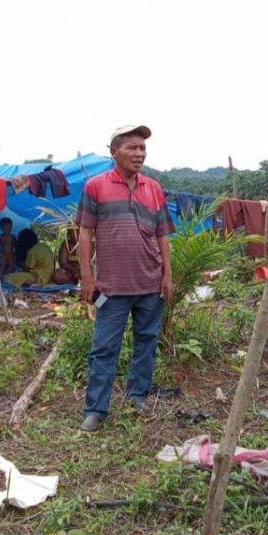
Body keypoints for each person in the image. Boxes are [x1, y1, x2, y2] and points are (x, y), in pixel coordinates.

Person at [76, 125, 175, 434]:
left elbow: (162, 235)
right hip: (111, 288)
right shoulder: (95, 186)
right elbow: (84, 232)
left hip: (151, 285)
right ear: (114, 151)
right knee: (104, 348)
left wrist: (167, 276)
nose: (139, 153)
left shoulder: (154, 188)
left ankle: (137, 397)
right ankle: (95, 410)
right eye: (132, 147)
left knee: (146, 343)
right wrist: (86, 278)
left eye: (142, 148)